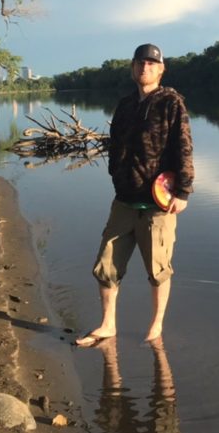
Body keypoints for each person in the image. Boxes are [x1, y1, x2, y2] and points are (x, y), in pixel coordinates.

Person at [76, 43, 194, 346]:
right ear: (133, 67)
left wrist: (183, 191)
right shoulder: (125, 104)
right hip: (124, 201)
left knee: (158, 270)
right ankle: (107, 324)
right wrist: (116, 174)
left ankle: (156, 327)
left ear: (161, 69)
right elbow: (115, 145)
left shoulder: (171, 103)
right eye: (141, 63)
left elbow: (184, 148)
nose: (146, 68)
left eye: (152, 64)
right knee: (105, 267)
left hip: (158, 204)